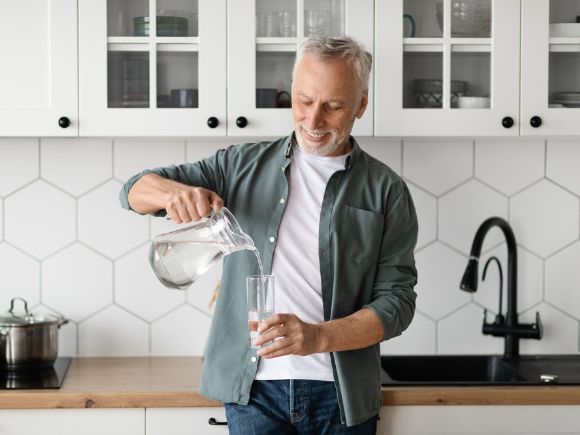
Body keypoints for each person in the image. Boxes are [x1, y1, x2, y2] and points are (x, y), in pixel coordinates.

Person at [120, 35, 418, 434]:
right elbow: (133, 191)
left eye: (332, 106)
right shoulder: (238, 165)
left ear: (361, 104)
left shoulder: (386, 190)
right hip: (255, 394)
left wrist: (317, 337)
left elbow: (397, 303)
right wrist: (175, 193)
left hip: (342, 397)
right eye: (303, 100)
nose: (313, 121)